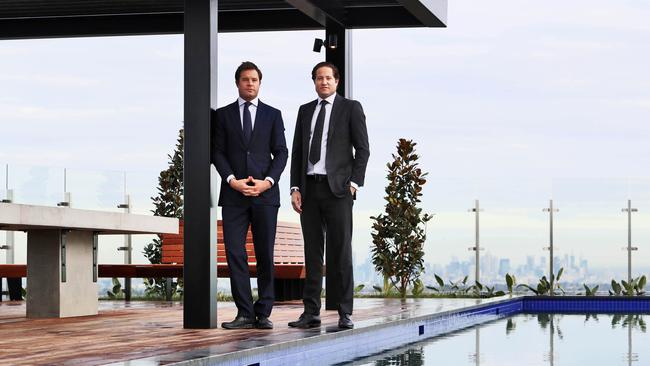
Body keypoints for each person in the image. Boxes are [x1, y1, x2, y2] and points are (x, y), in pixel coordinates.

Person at [288, 61, 370, 329]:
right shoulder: (305, 110)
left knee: (341, 252)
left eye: (328, 78)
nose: (324, 82)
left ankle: (345, 312)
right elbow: (298, 152)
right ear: (314, 82)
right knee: (312, 254)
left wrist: (354, 183)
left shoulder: (350, 108)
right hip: (309, 189)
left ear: (337, 81)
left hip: (338, 191)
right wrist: (295, 188)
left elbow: (363, 150)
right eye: (319, 78)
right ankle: (310, 312)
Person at [212, 61, 288, 329]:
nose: (250, 83)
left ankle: (263, 311)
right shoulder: (222, 115)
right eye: (245, 79)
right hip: (234, 195)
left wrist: (267, 182)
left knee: (265, 253)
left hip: (265, 195)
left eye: (254, 80)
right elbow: (217, 152)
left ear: (259, 83)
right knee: (235, 253)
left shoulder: (273, 114)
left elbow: (281, 152)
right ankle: (244, 313)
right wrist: (232, 181)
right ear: (237, 83)